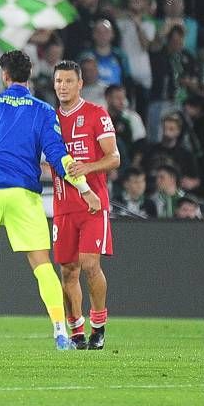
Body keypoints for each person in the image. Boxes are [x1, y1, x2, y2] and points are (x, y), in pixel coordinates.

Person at [0, 50, 98, 351]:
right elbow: (58, 157)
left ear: (4, 75)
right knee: (41, 265)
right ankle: (60, 333)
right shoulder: (42, 111)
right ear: (29, 75)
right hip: (24, 195)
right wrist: (84, 188)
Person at [49, 60, 120, 350]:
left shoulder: (96, 114)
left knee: (90, 264)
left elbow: (114, 157)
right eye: (58, 82)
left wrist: (87, 167)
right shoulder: (50, 119)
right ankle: (76, 331)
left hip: (92, 205)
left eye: (68, 81)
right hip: (63, 206)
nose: (63, 87)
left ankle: (98, 326)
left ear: (80, 84)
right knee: (67, 271)